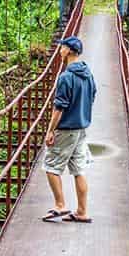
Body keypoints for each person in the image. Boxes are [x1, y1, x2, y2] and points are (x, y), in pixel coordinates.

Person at [42, 35, 96, 223]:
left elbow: (59, 108)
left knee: (51, 167)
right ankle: (82, 211)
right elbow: (93, 96)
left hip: (66, 129)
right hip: (81, 129)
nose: (60, 49)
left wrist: (50, 130)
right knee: (79, 170)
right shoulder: (88, 74)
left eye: (62, 47)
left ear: (69, 51)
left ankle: (60, 205)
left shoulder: (65, 77)